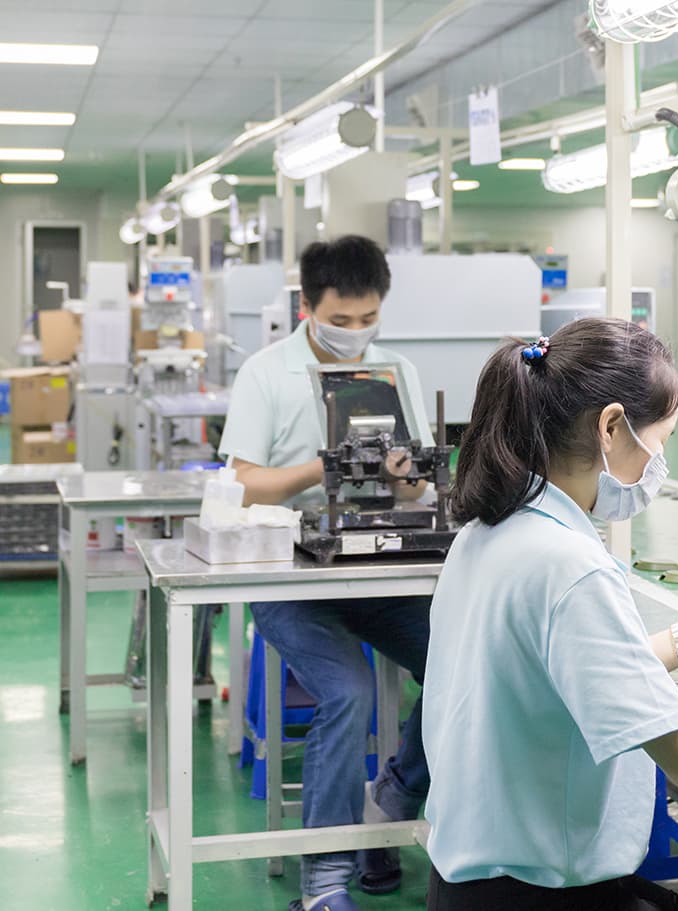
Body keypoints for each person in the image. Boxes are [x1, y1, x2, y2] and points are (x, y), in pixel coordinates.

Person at [422, 318, 678, 910]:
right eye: (661, 439)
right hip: (540, 897)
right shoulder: (570, 566)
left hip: (469, 886)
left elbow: (563, 678)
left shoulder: (491, 530)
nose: (659, 460)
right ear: (611, 426)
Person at [219, 235, 434, 911]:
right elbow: (243, 484)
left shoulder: (397, 372)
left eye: (368, 318)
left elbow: (418, 491)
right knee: (347, 692)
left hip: (379, 572)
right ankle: (326, 878)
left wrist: (404, 477)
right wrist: (326, 464)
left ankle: (392, 799)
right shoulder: (266, 373)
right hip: (290, 580)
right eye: (340, 320)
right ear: (307, 307)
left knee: (466, 662)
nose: (355, 332)